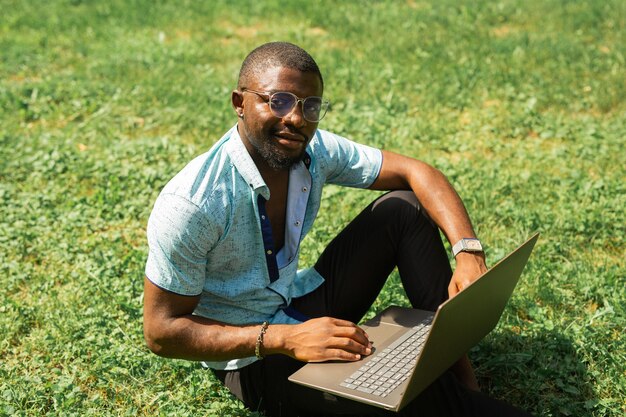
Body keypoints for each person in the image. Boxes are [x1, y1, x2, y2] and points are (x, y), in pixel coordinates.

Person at [143, 41, 533, 416]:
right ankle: (450, 394)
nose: (295, 119)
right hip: (253, 360)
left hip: (298, 302)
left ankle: (459, 372)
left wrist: (467, 250)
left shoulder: (312, 151)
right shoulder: (194, 203)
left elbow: (417, 172)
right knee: (407, 392)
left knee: (403, 208)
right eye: (277, 101)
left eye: (309, 106)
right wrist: (283, 339)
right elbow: (161, 331)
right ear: (239, 103)